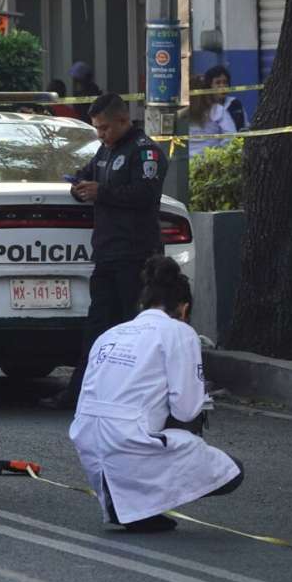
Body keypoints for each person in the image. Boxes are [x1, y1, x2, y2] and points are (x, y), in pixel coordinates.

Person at [70, 255, 243, 532]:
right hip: (128, 441)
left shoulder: (111, 333)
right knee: (232, 472)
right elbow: (186, 409)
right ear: (184, 309)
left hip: (88, 441)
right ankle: (144, 500)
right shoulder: (179, 332)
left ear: (142, 304)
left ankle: (134, 504)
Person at [40, 94, 167, 410]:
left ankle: (141, 399)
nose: (100, 134)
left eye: (105, 128)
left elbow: (146, 194)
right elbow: (85, 174)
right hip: (107, 254)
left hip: (136, 256)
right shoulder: (105, 151)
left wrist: (103, 192)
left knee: (134, 329)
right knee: (97, 331)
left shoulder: (145, 152)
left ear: (124, 121)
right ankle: (80, 394)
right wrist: (78, 186)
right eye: (96, 129)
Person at [186, 74, 237, 157]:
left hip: (187, 162)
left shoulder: (183, 113)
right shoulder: (217, 110)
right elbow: (231, 136)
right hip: (211, 163)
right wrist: (219, 154)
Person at [203, 65, 247, 132]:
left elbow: (246, 125)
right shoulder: (204, 107)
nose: (222, 86)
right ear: (209, 86)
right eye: (218, 83)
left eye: (225, 82)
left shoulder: (235, 104)